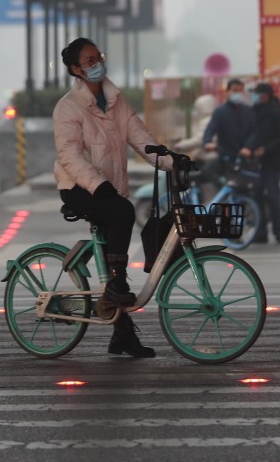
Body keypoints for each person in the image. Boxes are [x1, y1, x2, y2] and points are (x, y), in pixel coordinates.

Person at [54, 37, 176, 359]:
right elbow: (69, 155)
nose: (98, 64)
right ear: (76, 69)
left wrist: (173, 162)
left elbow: (142, 139)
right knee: (123, 212)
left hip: (108, 188)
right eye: (90, 61)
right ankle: (116, 287)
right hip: (78, 187)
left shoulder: (116, 100)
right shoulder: (68, 107)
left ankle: (122, 335)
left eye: (99, 57)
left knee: (115, 232)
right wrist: (96, 184)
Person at [241, 82, 280, 245]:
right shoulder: (252, 112)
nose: (256, 97)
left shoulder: (276, 113)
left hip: (272, 161)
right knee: (257, 196)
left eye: (258, 94)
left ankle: (279, 232)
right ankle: (260, 232)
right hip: (254, 162)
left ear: (266, 95)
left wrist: (266, 149)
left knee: (273, 197)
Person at [202, 78, 256, 171]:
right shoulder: (220, 111)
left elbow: (254, 131)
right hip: (225, 155)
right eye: (235, 90)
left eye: (240, 91)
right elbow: (210, 128)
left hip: (245, 156)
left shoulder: (249, 111)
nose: (238, 93)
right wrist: (207, 142)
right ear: (227, 92)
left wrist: (248, 147)